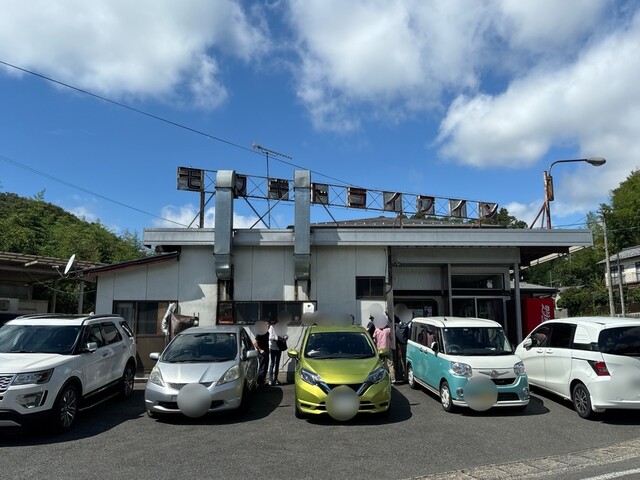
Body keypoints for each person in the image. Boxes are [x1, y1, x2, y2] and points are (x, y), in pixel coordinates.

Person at [268, 321, 288, 386]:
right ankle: (270, 379)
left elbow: (285, 334)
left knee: (277, 364)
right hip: (273, 348)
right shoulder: (271, 328)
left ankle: (276, 379)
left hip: (279, 348)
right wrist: (278, 338)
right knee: (272, 363)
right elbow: (270, 337)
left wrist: (285, 337)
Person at [253, 322, 270, 387]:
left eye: (268, 325)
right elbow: (255, 343)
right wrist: (260, 350)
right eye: (266, 325)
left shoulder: (267, 333)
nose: (268, 326)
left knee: (265, 367)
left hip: (266, 351)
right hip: (262, 353)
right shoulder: (260, 333)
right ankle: (259, 382)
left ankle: (263, 381)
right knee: (262, 367)